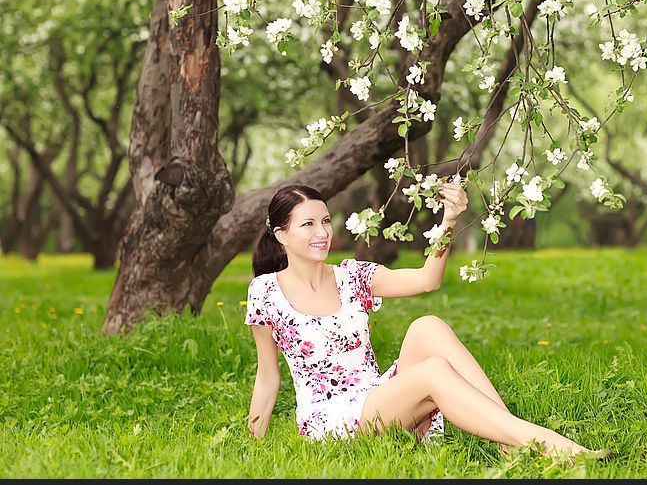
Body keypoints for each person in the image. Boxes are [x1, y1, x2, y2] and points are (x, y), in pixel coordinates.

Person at [245, 182, 611, 460]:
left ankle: (507, 442)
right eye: (307, 224)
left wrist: (449, 220)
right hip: (331, 421)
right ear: (282, 236)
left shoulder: (351, 277)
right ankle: (554, 447)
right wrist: (254, 447)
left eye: (325, 220)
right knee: (434, 370)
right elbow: (267, 376)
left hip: (378, 398)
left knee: (428, 326)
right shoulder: (265, 292)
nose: (322, 232)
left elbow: (427, 280)